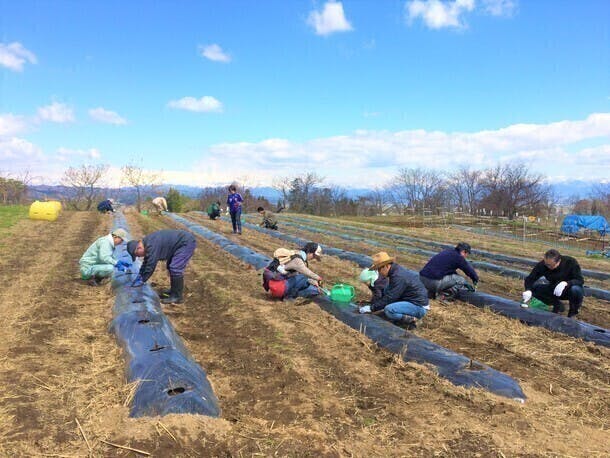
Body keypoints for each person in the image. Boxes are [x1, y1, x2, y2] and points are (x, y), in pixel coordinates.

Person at [359, 252, 429, 329]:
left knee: (389, 310)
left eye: (379, 269)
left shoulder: (398, 276)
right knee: (386, 290)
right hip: (410, 300)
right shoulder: (395, 272)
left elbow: (391, 297)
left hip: (418, 306)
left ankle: (412, 320)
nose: (379, 273)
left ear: (386, 266)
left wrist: (372, 308)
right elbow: (390, 294)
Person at [126, 229, 197, 304]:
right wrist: (139, 276)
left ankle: (177, 297)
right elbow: (145, 263)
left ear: (139, 248)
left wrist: (142, 280)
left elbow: (150, 265)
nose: (139, 257)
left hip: (185, 243)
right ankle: (174, 290)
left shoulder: (151, 245)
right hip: (179, 243)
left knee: (175, 268)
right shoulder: (147, 244)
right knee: (170, 266)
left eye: (137, 255)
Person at [522, 249, 584, 317]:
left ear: (559, 261)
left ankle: (573, 312)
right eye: (546, 264)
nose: (548, 267)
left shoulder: (570, 262)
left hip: (569, 290)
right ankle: (557, 305)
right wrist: (528, 290)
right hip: (554, 289)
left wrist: (566, 283)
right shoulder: (543, 265)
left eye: (550, 265)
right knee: (534, 289)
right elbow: (530, 279)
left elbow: (580, 280)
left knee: (575, 289)